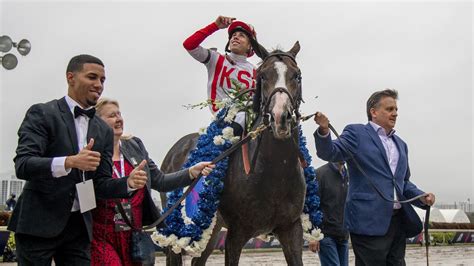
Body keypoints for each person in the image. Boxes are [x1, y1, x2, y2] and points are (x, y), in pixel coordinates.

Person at [8, 54, 150, 265]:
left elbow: (101, 184)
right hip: (38, 224)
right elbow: (24, 164)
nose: (98, 84)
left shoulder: (102, 129)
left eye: (102, 80)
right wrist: (69, 162)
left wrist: (127, 183)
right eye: (92, 77)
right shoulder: (43, 113)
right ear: (70, 77)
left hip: (79, 228)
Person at [313, 89, 436, 265]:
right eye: (389, 109)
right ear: (374, 111)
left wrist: (421, 197)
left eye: (396, 110)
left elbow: (403, 183)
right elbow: (329, 152)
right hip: (368, 221)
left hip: (398, 222)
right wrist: (324, 131)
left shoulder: (401, 144)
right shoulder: (356, 133)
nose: (395, 113)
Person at [91, 98, 214, 266]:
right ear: (97, 122)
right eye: (112, 115)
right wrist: (128, 182)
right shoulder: (91, 152)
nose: (119, 119)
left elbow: (160, 181)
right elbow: (92, 188)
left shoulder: (134, 145)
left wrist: (191, 172)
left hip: (133, 235)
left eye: (119, 114)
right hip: (102, 235)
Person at [183, 15, 258, 136]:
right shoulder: (215, 58)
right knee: (243, 115)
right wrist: (215, 26)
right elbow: (189, 44)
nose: (235, 37)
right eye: (233, 35)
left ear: (250, 46)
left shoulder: (256, 71)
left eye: (241, 36)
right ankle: (227, 142)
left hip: (250, 123)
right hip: (223, 119)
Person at [308, 162, 349, 266]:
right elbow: (311, 205)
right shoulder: (320, 174)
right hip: (326, 235)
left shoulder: (349, 174)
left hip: (343, 235)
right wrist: (313, 236)